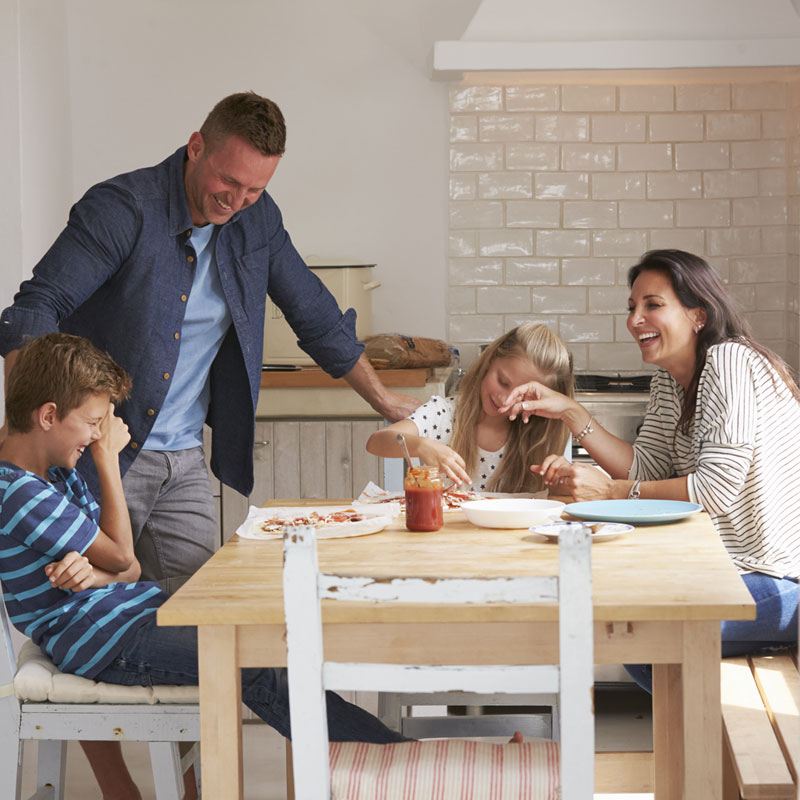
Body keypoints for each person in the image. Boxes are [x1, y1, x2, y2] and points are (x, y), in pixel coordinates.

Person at [0, 91, 420, 594]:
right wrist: (27, 434)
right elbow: (33, 309)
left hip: (184, 457)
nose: (237, 200)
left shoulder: (257, 220)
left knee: (205, 611)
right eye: (229, 181)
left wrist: (387, 401)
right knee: (85, 604)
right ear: (196, 147)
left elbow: (316, 316)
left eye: (253, 189)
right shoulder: (123, 208)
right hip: (101, 455)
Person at [0, 333, 406, 799]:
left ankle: (387, 763)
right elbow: (123, 556)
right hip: (106, 637)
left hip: (125, 614)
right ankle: (402, 763)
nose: (97, 433)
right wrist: (106, 459)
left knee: (270, 628)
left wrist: (99, 575)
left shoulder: (53, 476)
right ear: (48, 416)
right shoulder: (18, 491)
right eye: (92, 422)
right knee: (258, 666)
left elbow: (127, 571)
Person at [500, 250, 800, 689]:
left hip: (777, 580)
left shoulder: (729, 361)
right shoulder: (670, 380)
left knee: (642, 635)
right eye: (632, 308)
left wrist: (611, 494)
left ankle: (706, 747)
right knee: (635, 638)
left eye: (652, 305)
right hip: (727, 571)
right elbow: (645, 469)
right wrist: (569, 412)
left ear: (698, 313)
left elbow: (713, 490)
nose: (635, 319)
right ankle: (701, 749)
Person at [366, 323, 574, 493]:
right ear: (490, 360)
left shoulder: (542, 433)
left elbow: (558, 501)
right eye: (502, 381)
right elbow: (376, 442)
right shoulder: (444, 413)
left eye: (521, 395)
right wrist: (420, 445)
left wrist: (564, 480)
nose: (504, 398)